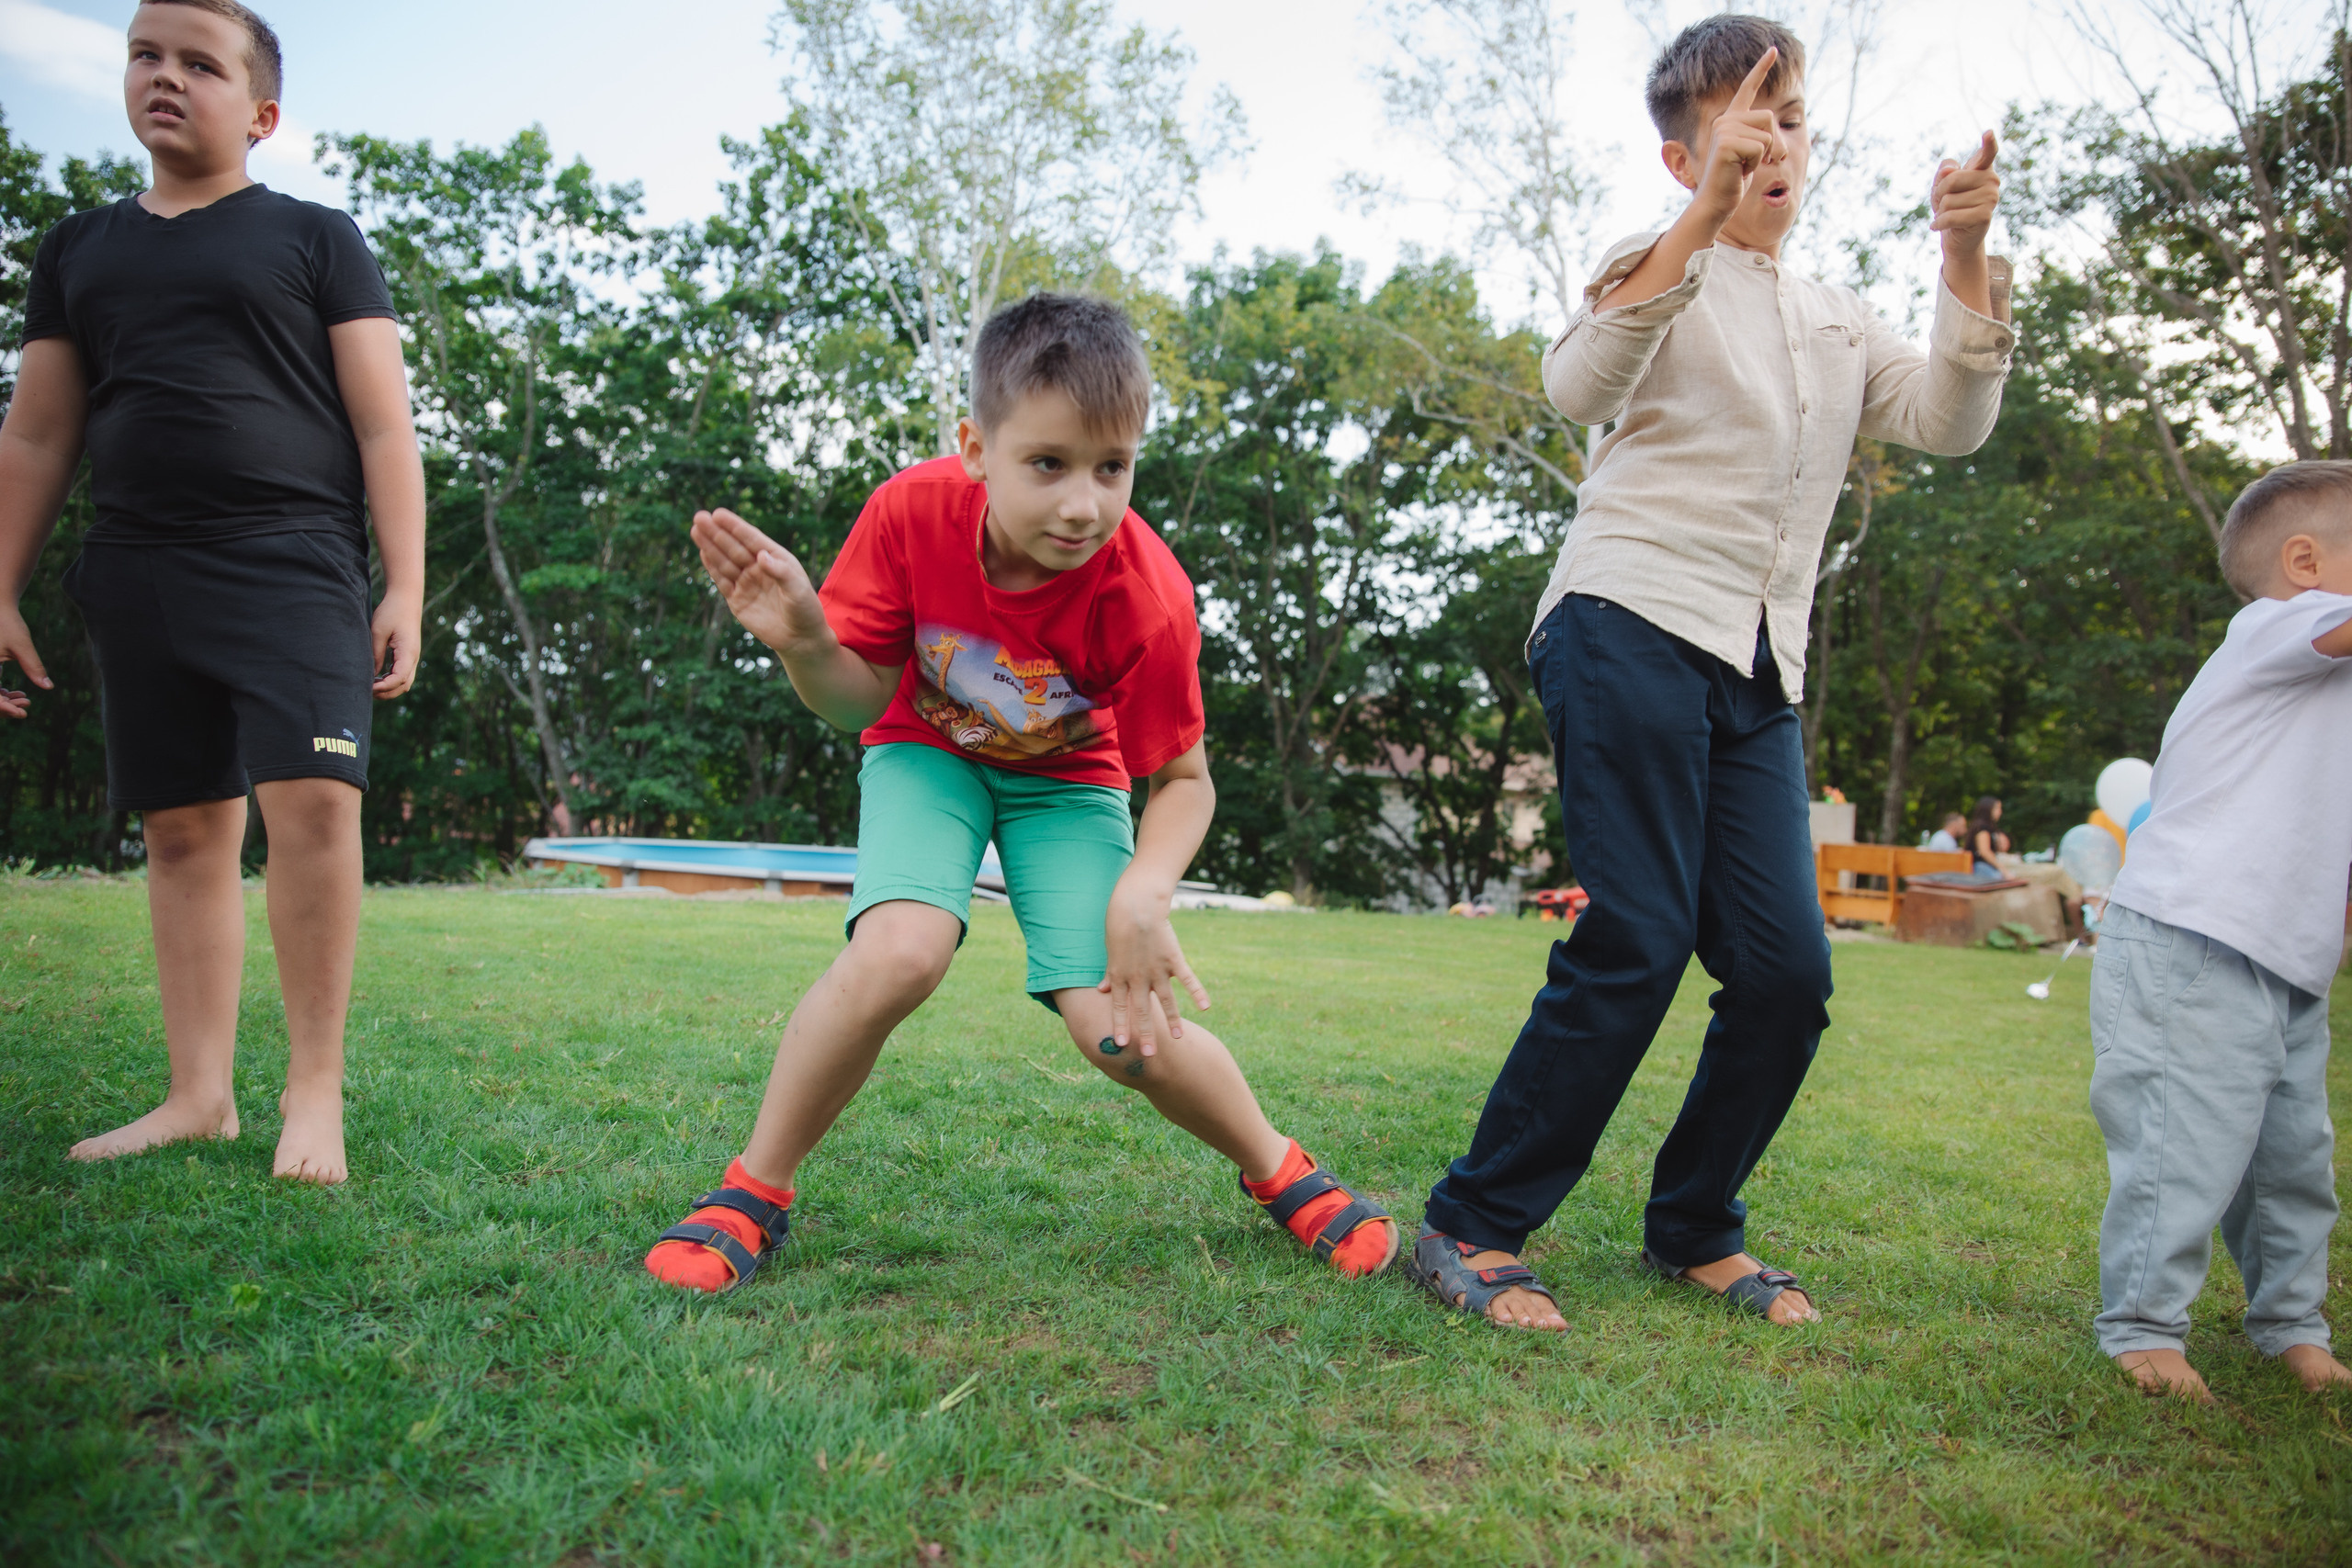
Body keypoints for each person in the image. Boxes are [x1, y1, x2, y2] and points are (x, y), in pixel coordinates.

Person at [1412, 14, 2012, 1330]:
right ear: (1683, 160)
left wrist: (1964, 255)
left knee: (1787, 973)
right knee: (1640, 932)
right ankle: (1474, 1221)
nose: (1775, 146)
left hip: (1756, 666)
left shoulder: (1837, 318)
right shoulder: (1655, 265)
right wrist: (1698, 224)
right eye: (1745, 128)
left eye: (1791, 121)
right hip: (1626, 616)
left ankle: (1692, 1227)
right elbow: (1578, 386)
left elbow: (1950, 421)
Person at [641, 294, 1398, 1293]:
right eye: (1048, 464)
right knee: (900, 952)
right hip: (928, 749)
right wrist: (807, 643)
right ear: (975, 448)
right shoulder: (909, 514)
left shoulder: (1150, 597)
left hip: (1068, 784)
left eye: (1112, 467)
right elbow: (856, 700)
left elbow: (1184, 781)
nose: (1084, 505)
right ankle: (754, 1189)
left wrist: (1144, 892)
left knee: (1120, 1032)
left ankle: (1280, 1168)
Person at [0, 0, 424, 1184]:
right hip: (138, 567)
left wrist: (405, 585)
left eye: (200, 63)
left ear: (262, 114)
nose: (166, 77)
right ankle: (198, 1096)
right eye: (145, 55)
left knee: (316, 804)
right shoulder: (77, 249)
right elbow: (37, 436)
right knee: (183, 829)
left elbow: (384, 426)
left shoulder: (315, 237)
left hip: (294, 561)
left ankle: (313, 1094)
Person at [2087, 461, 2352, 1401]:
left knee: (2293, 1161)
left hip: (2287, 962)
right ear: (2304, 563)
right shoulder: (2274, 628)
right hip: (2191, 940)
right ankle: (2143, 1325)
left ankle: (2292, 1323)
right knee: (2179, 1144)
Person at [1965, 795, 2010, 876]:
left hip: (1981, 866)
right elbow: (1985, 852)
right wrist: (2003, 869)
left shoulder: (1984, 827)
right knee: (2003, 878)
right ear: (1988, 809)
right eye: (1997, 808)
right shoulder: (1982, 828)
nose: (2000, 812)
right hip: (1979, 866)